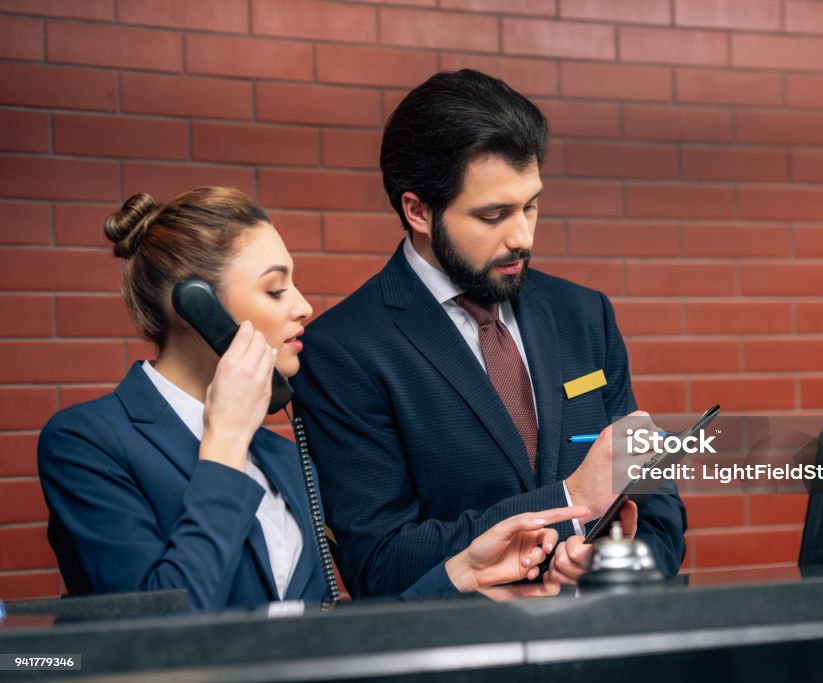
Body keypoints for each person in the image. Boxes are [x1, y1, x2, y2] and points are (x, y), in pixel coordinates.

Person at [37, 187, 585, 612]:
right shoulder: (88, 442)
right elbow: (159, 628)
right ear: (194, 307)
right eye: (276, 290)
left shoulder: (278, 459)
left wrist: (459, 575)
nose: (303, 307)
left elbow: (320, 633)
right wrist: (224, 440)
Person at [290, 69, 686, 599]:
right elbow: (379, 564)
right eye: (494, 215)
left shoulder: (584, 314)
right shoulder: (344, 350)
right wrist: (569, 501)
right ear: (418, 211)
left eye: (531, 205)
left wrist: (611, 564)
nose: (521, 236)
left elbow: (657, 509)